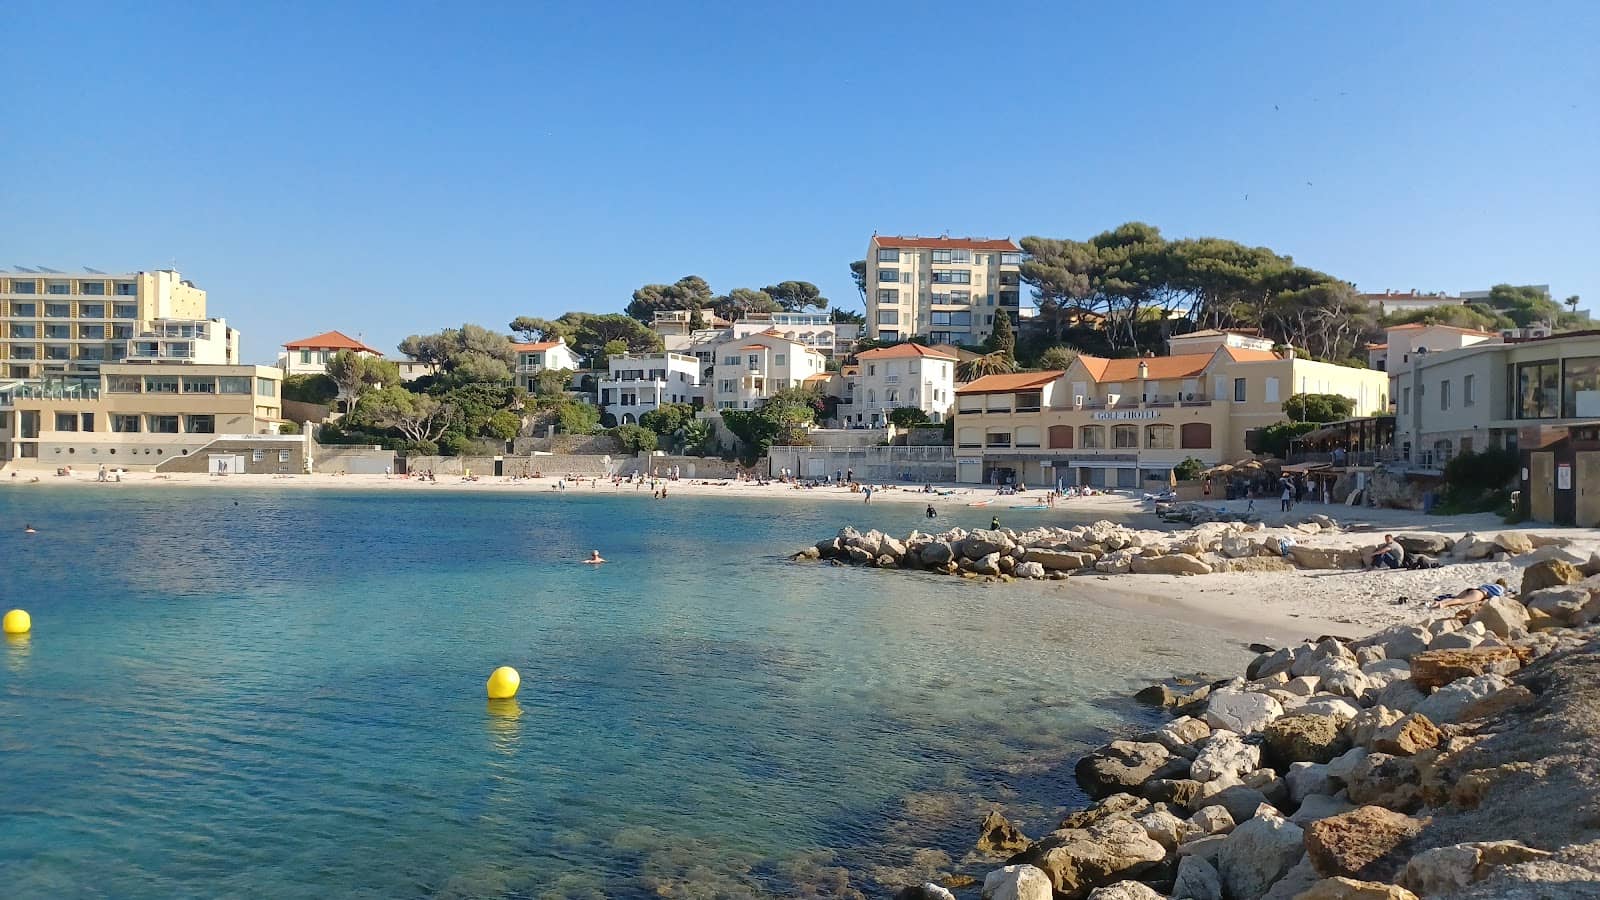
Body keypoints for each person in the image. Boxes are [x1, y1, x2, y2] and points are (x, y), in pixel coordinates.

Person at [1434, 579, 1510, 608]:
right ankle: (1443, 604)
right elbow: (1498, 596)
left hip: (1472, 589)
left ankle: (1438, 602)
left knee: (1456, 598)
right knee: (1462, 601)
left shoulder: (1490, 585)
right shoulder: (1500, 589)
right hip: (1479, 594)